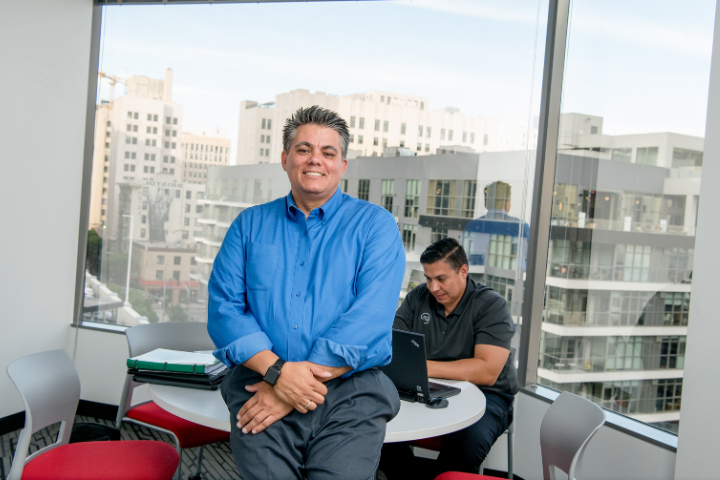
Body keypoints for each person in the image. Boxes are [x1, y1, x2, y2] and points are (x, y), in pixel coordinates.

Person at [207, 106, 406, 480]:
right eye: (304, 149)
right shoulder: (249, 225)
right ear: (285, 159)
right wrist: (279, 374)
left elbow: (370, 317)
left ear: (342, 165)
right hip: (261, 383)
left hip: (350, 392)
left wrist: (292, 383)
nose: (316, 159)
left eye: (328, 152)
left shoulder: (375, 226)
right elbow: (224, 311)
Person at [380, 238, 517, 479]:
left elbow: (486, 371)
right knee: (375, 425)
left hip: (489, 396)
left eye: (441, 279)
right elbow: (393, 343)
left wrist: (422, 367)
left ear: (463, 271)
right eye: (428, 278)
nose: (433, 288)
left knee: (465, 447)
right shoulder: (419, 297)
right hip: (426, 385)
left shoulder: (492, 306)